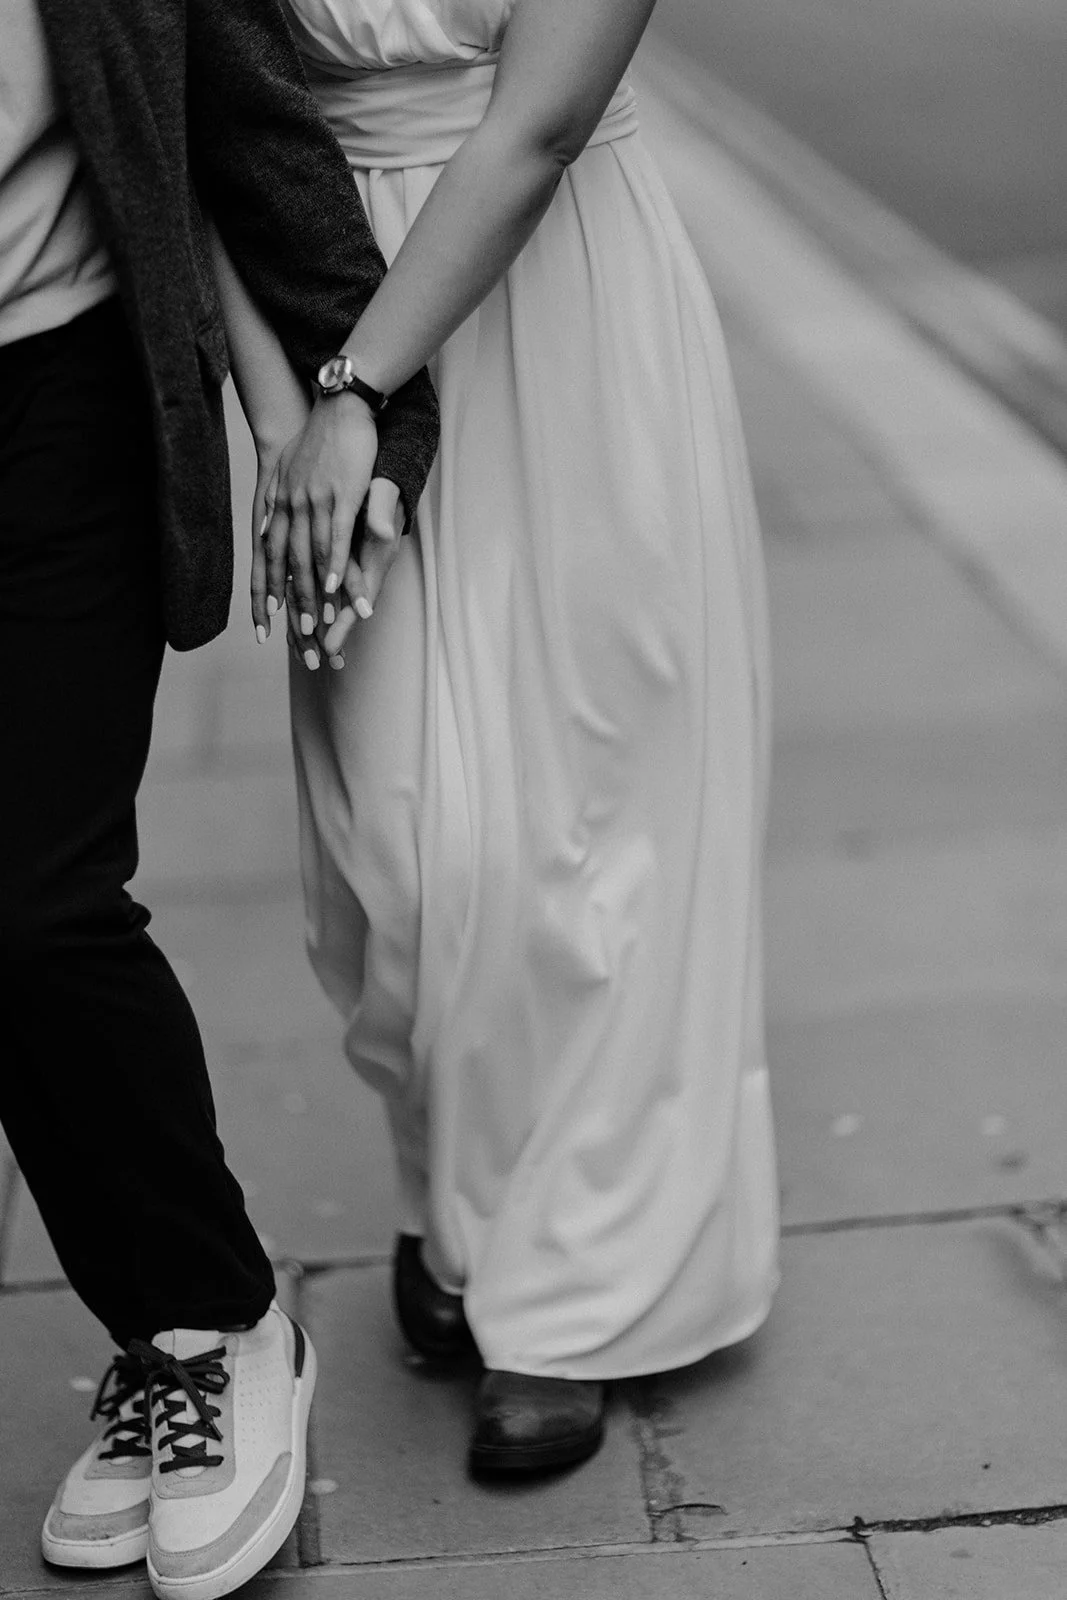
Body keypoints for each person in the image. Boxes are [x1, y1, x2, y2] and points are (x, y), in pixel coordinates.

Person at [228, 0, 780, 1478]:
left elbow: (532, 130)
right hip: (321, 295)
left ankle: (572, 1299)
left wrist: (358, 397)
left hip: (561, 310)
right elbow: (202, 121)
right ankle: (455, 1190)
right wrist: (288, 425)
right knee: (403, 850)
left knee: (596, 824)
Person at [0, 1, 437, 1594]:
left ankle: (213, 1323)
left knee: (36, 905)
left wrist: (359, 393)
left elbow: (226, 93)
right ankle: (159, 1325)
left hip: (52, 399)